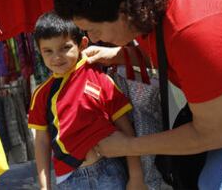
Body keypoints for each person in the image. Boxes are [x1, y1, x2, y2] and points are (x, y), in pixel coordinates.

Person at [53, 0, 222, 189]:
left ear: (122, 12)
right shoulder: (150, 1)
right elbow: (173, 53)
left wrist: (128, 146)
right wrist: (120, 56)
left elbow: (216, 133)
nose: (92, 39)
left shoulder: (192, 29)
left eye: (93, 29)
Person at [28, 12, 146, 190]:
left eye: (65, 48)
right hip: (70, 179)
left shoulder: (100, 78)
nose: (57, 57)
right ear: (40, 52)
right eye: (48, 51)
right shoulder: (41, 95)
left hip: (110, 170)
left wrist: (136, 176)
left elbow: (126, 129)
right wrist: (45, 186)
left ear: (82, 44)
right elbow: (42, 142)